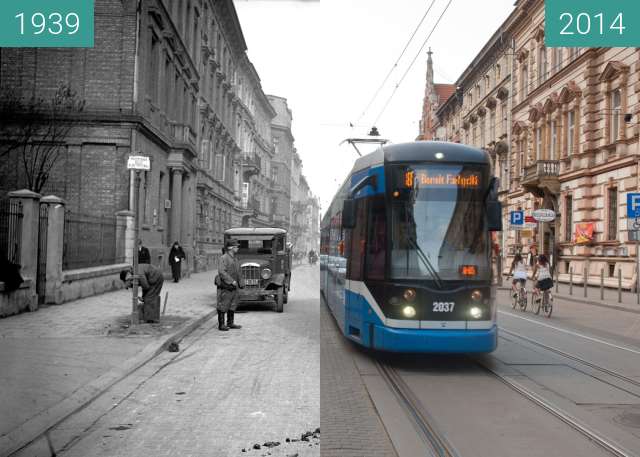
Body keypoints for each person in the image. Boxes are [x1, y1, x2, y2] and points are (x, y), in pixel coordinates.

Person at [216, 239, 243, 331]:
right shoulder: (223, 258)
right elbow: (221, 272)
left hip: (234, 286)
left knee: (233, 304)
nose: (237, 248)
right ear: (231, 248)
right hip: (226, 285)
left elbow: (239, 272)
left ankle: (230, 323)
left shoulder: (235, 258)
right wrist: (231, 281)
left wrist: (241, 282)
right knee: (223, 304)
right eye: (236, 247)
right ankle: (221, 324)